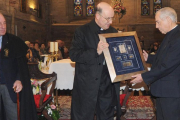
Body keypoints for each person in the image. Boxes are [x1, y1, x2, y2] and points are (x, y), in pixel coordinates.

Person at [69, 2, 121, 120]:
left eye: (112, 18)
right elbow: (74, 55)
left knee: (106, 113)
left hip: (107, 82)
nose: (111, 22)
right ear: (97, 16)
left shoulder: (113, 31)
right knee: (84, 114)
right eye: (108, 18)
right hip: (87, 83)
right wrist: (96, 51)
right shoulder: (82, 31)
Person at [131, 7, 180, 120]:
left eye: (158, 22)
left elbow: (167, 66)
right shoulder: (171, 34)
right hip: (165, 91)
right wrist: (149, 58)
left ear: (168, 19)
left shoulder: (178, 37)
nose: (156, 26)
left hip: (171, 93)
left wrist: (143, 77)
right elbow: (165, 58)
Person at [0, 13, 37, 120]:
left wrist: (18, 79)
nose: (3, 26)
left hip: (10, 87)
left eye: (4, 23)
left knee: (13, 116)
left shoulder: (14, 42)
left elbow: (21, 66)